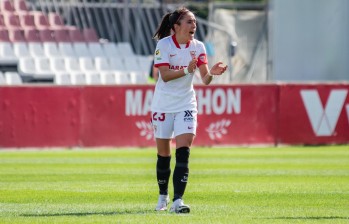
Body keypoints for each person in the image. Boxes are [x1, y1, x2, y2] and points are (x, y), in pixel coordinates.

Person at [151, 7, 228, 214]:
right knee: (163, 155)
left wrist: (212, 73)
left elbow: (204, 79)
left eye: (194, 22)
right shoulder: (164, 45)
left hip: (186, 104)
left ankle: (178, 201)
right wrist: (187, 70)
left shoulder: (199, 46)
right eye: (189, 22)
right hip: (163, 105)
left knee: (183, 153)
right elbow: (164, 76)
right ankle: (163, 196)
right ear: (176, 27)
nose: (194, 25)